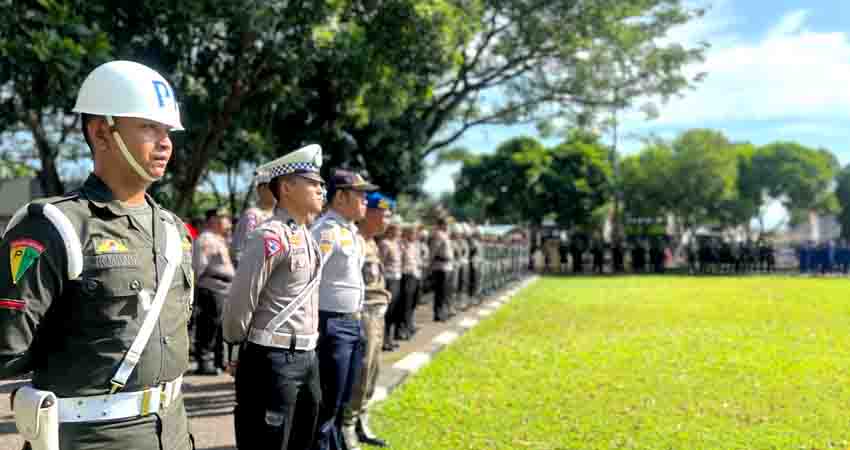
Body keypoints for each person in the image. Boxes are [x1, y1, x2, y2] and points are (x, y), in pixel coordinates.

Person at [0, 60, 193, 450]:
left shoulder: (173, 228)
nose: (165, 142)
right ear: (102, 133)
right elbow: (7, 348)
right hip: (93, 439)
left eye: (168, 130)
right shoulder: (55, 226)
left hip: (172, 430)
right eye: (149, 127)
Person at [222, 144, 325, 450]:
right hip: (273, 360)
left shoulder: (307, 235)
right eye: (313, 183)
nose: (322, 189)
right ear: (288, 186)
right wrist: (235, 347)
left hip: (307, 357)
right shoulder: (269, 236)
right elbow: (241, 300)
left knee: (301, 440)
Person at [310, 169, 378, 450]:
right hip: (332, 323)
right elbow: (310, 278)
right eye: (360, 195)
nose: (365, 200)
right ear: (340, 197)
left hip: (352, 322)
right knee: (327, 401)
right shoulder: (326, 230)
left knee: (342, 399)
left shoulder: (351, 231)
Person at [343, 192, 395, 450]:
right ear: (371, 213)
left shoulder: (372, 242)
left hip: (377, 315)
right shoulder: (355, 240)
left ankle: (362, 419)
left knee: (373, 371)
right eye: (384, 213)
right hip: (361, 315)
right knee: (360, 372)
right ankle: (347, 426)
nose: (388, 219)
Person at [192, 207, 235, 374]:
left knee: (220, 328)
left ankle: (219, 360)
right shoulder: (205, 239)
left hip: (224, 289)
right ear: (213, 220)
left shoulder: (219, 239)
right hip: (211, 288)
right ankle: (204, 362)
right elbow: (198, 267)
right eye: (225, 218)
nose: (229, 222)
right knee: (208, 327)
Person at [231, 168, 277, 266]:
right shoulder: (252, 215)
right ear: (261, 189)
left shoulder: (279, 214)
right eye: (273, 187)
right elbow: (241, 250)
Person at [378, 222, 403, 350]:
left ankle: (390, 339)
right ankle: (384, 341)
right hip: (389, 279)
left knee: (394, 311)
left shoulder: (396, 244)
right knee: (387, 312)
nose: (400, 233)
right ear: (391, 231)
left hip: (397, 278)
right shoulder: (385, 243)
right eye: (398, 231)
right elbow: (381, 262)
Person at [398, 223, 421, 339]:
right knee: (405, 304)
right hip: (405, 275)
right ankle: (402, 329)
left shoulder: (414, 245)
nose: (415, 235)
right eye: (413, 233)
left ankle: (409, 325)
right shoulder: (401, 244)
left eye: (416, 233)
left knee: (412, 303)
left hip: (415, 275)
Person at [429, 217, 454, 322]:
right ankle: (438, 314)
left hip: (447, 265)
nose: (447, 226)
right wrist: (430, 264)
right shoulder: (438, 235)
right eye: (446, 224)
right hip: (440, 266)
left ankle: (444, 311)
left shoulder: (445, 235)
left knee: (446, 291)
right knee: (440, 292)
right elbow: (434, 250)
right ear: (441, 225)